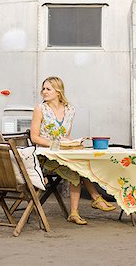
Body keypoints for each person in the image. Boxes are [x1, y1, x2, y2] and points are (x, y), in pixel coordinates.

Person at [30, 76, 116, 225]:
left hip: (64, 153)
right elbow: (34, 138)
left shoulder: (69, 110)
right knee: (76, 168)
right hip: (46, 156)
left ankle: (83, 208)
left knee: (81, 162)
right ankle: (90, 202)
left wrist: (74, 143)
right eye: (43, 89)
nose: (44, 92)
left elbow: (66, 135)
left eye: (48, 89)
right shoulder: (40, 109)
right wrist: (56, 145)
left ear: (58, 91)